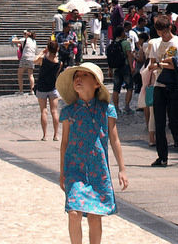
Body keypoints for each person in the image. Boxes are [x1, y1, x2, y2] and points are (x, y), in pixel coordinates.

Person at [57, 62, 129, 244]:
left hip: (98, 169)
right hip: (74, 169)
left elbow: (115, 140)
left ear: (97, 84)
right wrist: (62, 172)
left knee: (94, 215)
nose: (78, 79)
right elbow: (64, 143)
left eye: (84, 75)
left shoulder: (107, 110)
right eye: (76, 76)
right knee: (73, 213)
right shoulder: (68, 112)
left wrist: (122, 168)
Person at [145, 14, 178, 166]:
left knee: (173, 121)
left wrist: (162, 64)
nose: (161, 34)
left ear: (169, 28)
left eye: (163, 31)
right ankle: (162, 156)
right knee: (159, 123)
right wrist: (165, 64)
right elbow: (151, 65)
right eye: (158, 31)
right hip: (160, 84)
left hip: (175, 86)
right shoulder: (155, 44)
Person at [35, 40, 63, 141]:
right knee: (54, 111)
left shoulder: (43, 59)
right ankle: (56, 135)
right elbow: (57, 74)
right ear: (57, 49)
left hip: (42, 87)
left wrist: (42, 52)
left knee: (43, 111)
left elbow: (34, 60)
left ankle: (45, 135)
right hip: (53, 87)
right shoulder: (59, 63)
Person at [106, 25, 135, 114]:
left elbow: (110, 58)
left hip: (116, 68)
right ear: (122, 33)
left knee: (116, 89)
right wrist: (132, 67)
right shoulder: (126, 43)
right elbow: (129, 55)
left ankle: (116, 108)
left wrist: (110, 69)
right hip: (125, 67)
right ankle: (127, 106)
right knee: (129, 87)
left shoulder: (112, 44)